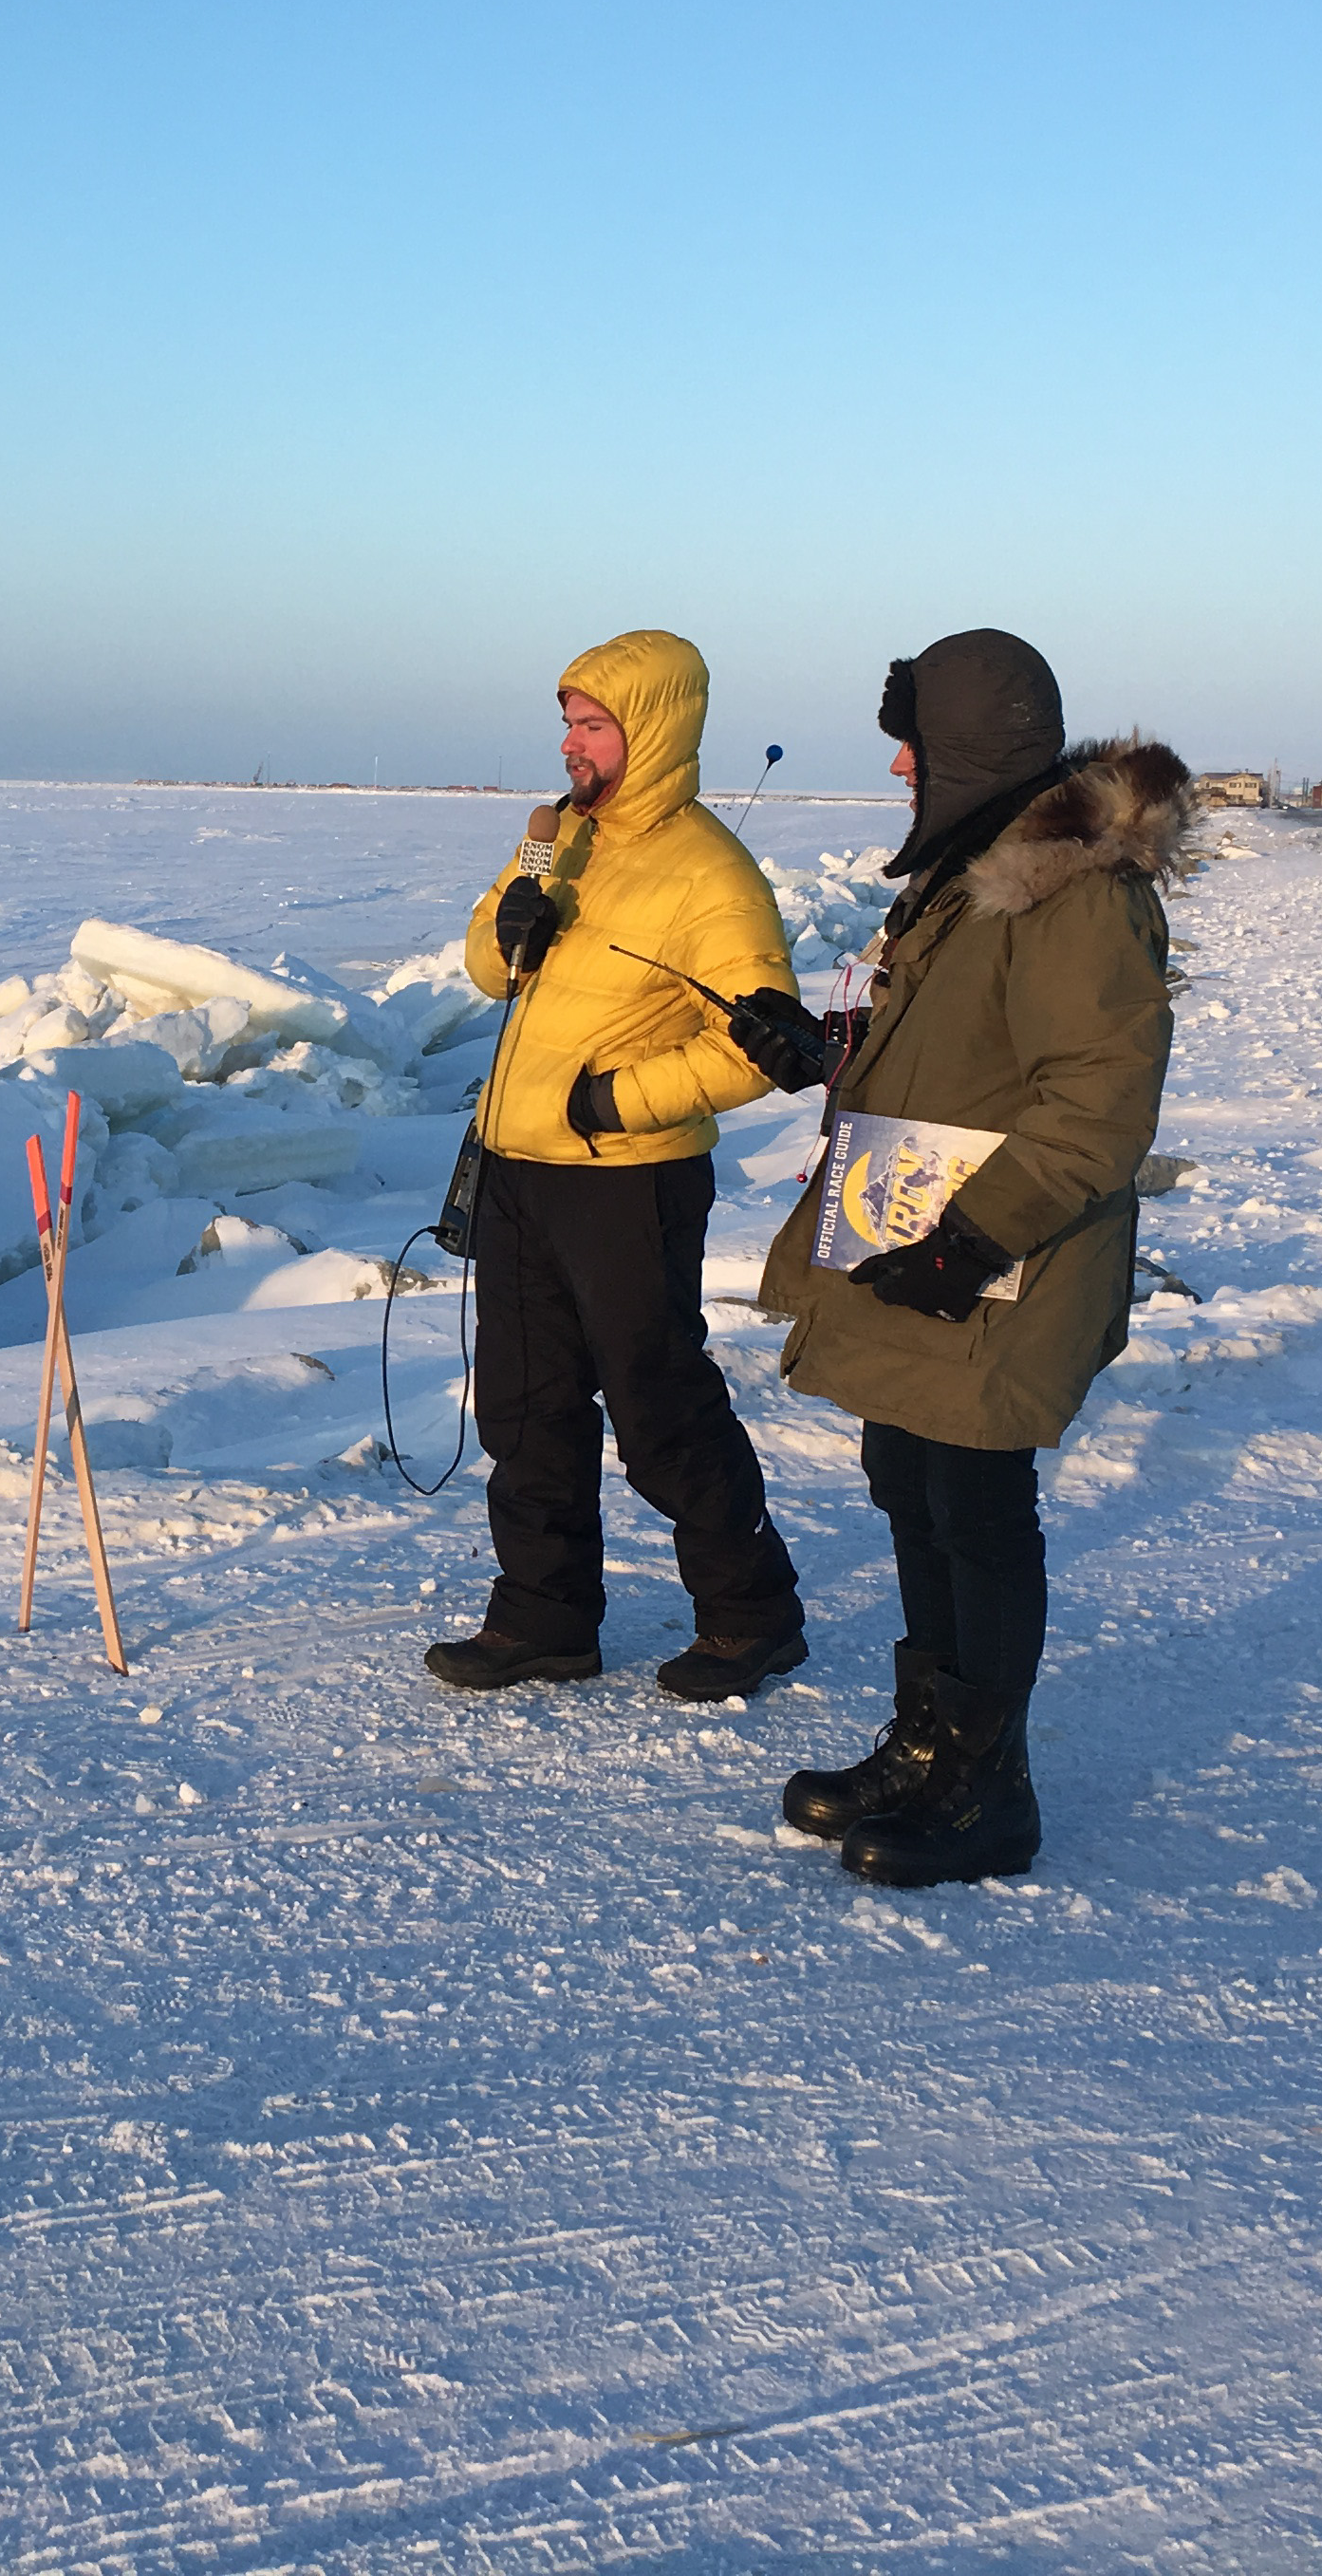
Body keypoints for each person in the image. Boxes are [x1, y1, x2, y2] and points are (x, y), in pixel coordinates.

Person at [759, 628, 1189, 1886]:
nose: (900, 768)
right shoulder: (974, 875)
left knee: (977, 1507)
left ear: (975, 750)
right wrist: (825, 1045)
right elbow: (954, 1046)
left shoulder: (1076, 892)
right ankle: (929, 1743)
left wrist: (973, 1241)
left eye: (919, 744)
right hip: (925, 1239)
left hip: (1004, 1252)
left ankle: (988, 1791)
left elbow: (1100, 1097)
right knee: (907, 1476)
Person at [427, 629, 821, 1701]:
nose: (570, 744)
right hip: (518, 1168)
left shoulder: (711, 873)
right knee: (522, 1406)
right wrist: (509, 917)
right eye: (566, 721)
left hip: (626, 1178)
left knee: (658, 1406)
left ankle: (751, 1616)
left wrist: (612, 1102)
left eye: (591, 724)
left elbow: (758, 1047)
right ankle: (544, 1619)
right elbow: (488, 970)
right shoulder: (559, 839)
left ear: (650, 731)